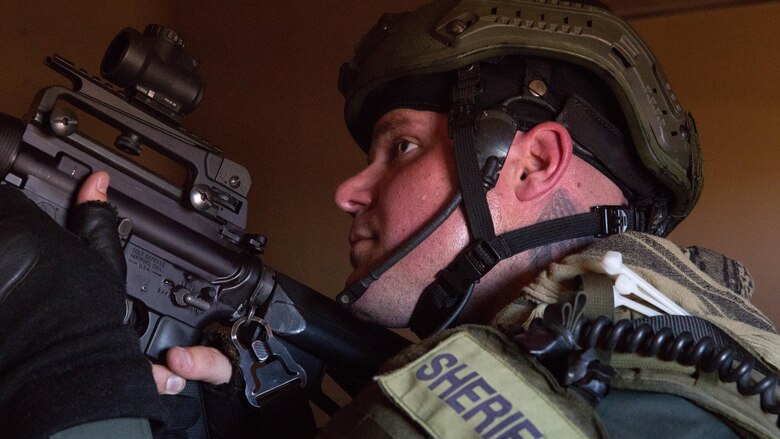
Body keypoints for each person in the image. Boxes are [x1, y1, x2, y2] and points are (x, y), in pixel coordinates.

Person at [3, 1, 780, 438]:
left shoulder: (650, 402)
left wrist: (74, 368)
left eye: (399, 147)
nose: (350, 190)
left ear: (533, 163)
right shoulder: (638, 368)